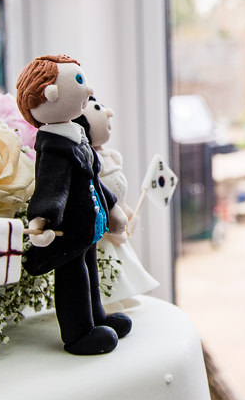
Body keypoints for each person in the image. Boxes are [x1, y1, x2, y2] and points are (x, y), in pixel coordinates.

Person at [16, 54, 133, 355]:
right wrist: (41, 220)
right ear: (49, 93)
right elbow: (50, 188)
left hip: (86, 228)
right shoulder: (53, 145)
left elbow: (92, 179)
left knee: (90, 271)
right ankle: (78, 333)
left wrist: (113, 209)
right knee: (73, 278)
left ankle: (97, 317)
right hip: (67, 230)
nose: (88, 88)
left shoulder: (77, 134)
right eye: (79, 81)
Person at [76, 95, 160, 304]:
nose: (108, 113)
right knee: (103, 270)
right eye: (97, 109)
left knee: (124, 266)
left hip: (118, 223)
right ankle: (105, 304)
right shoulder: (88, 162)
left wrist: (126, 212)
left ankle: (122, 301)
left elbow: (117, 195)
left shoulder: (112, 157)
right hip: (102, 233)